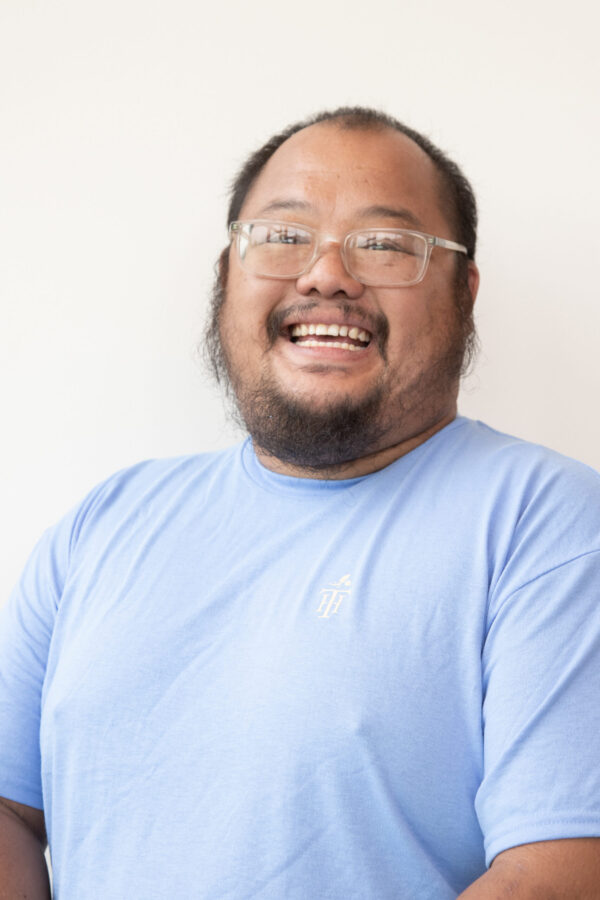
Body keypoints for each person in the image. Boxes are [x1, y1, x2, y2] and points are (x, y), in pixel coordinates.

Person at [1, 107, 599, 900]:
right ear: (228, 274)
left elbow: (560, 872)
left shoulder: (550, 524)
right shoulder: (103, 524)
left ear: (465, 293)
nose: (326, 275)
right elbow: (10, 811)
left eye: (384, 244)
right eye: (283, 236)